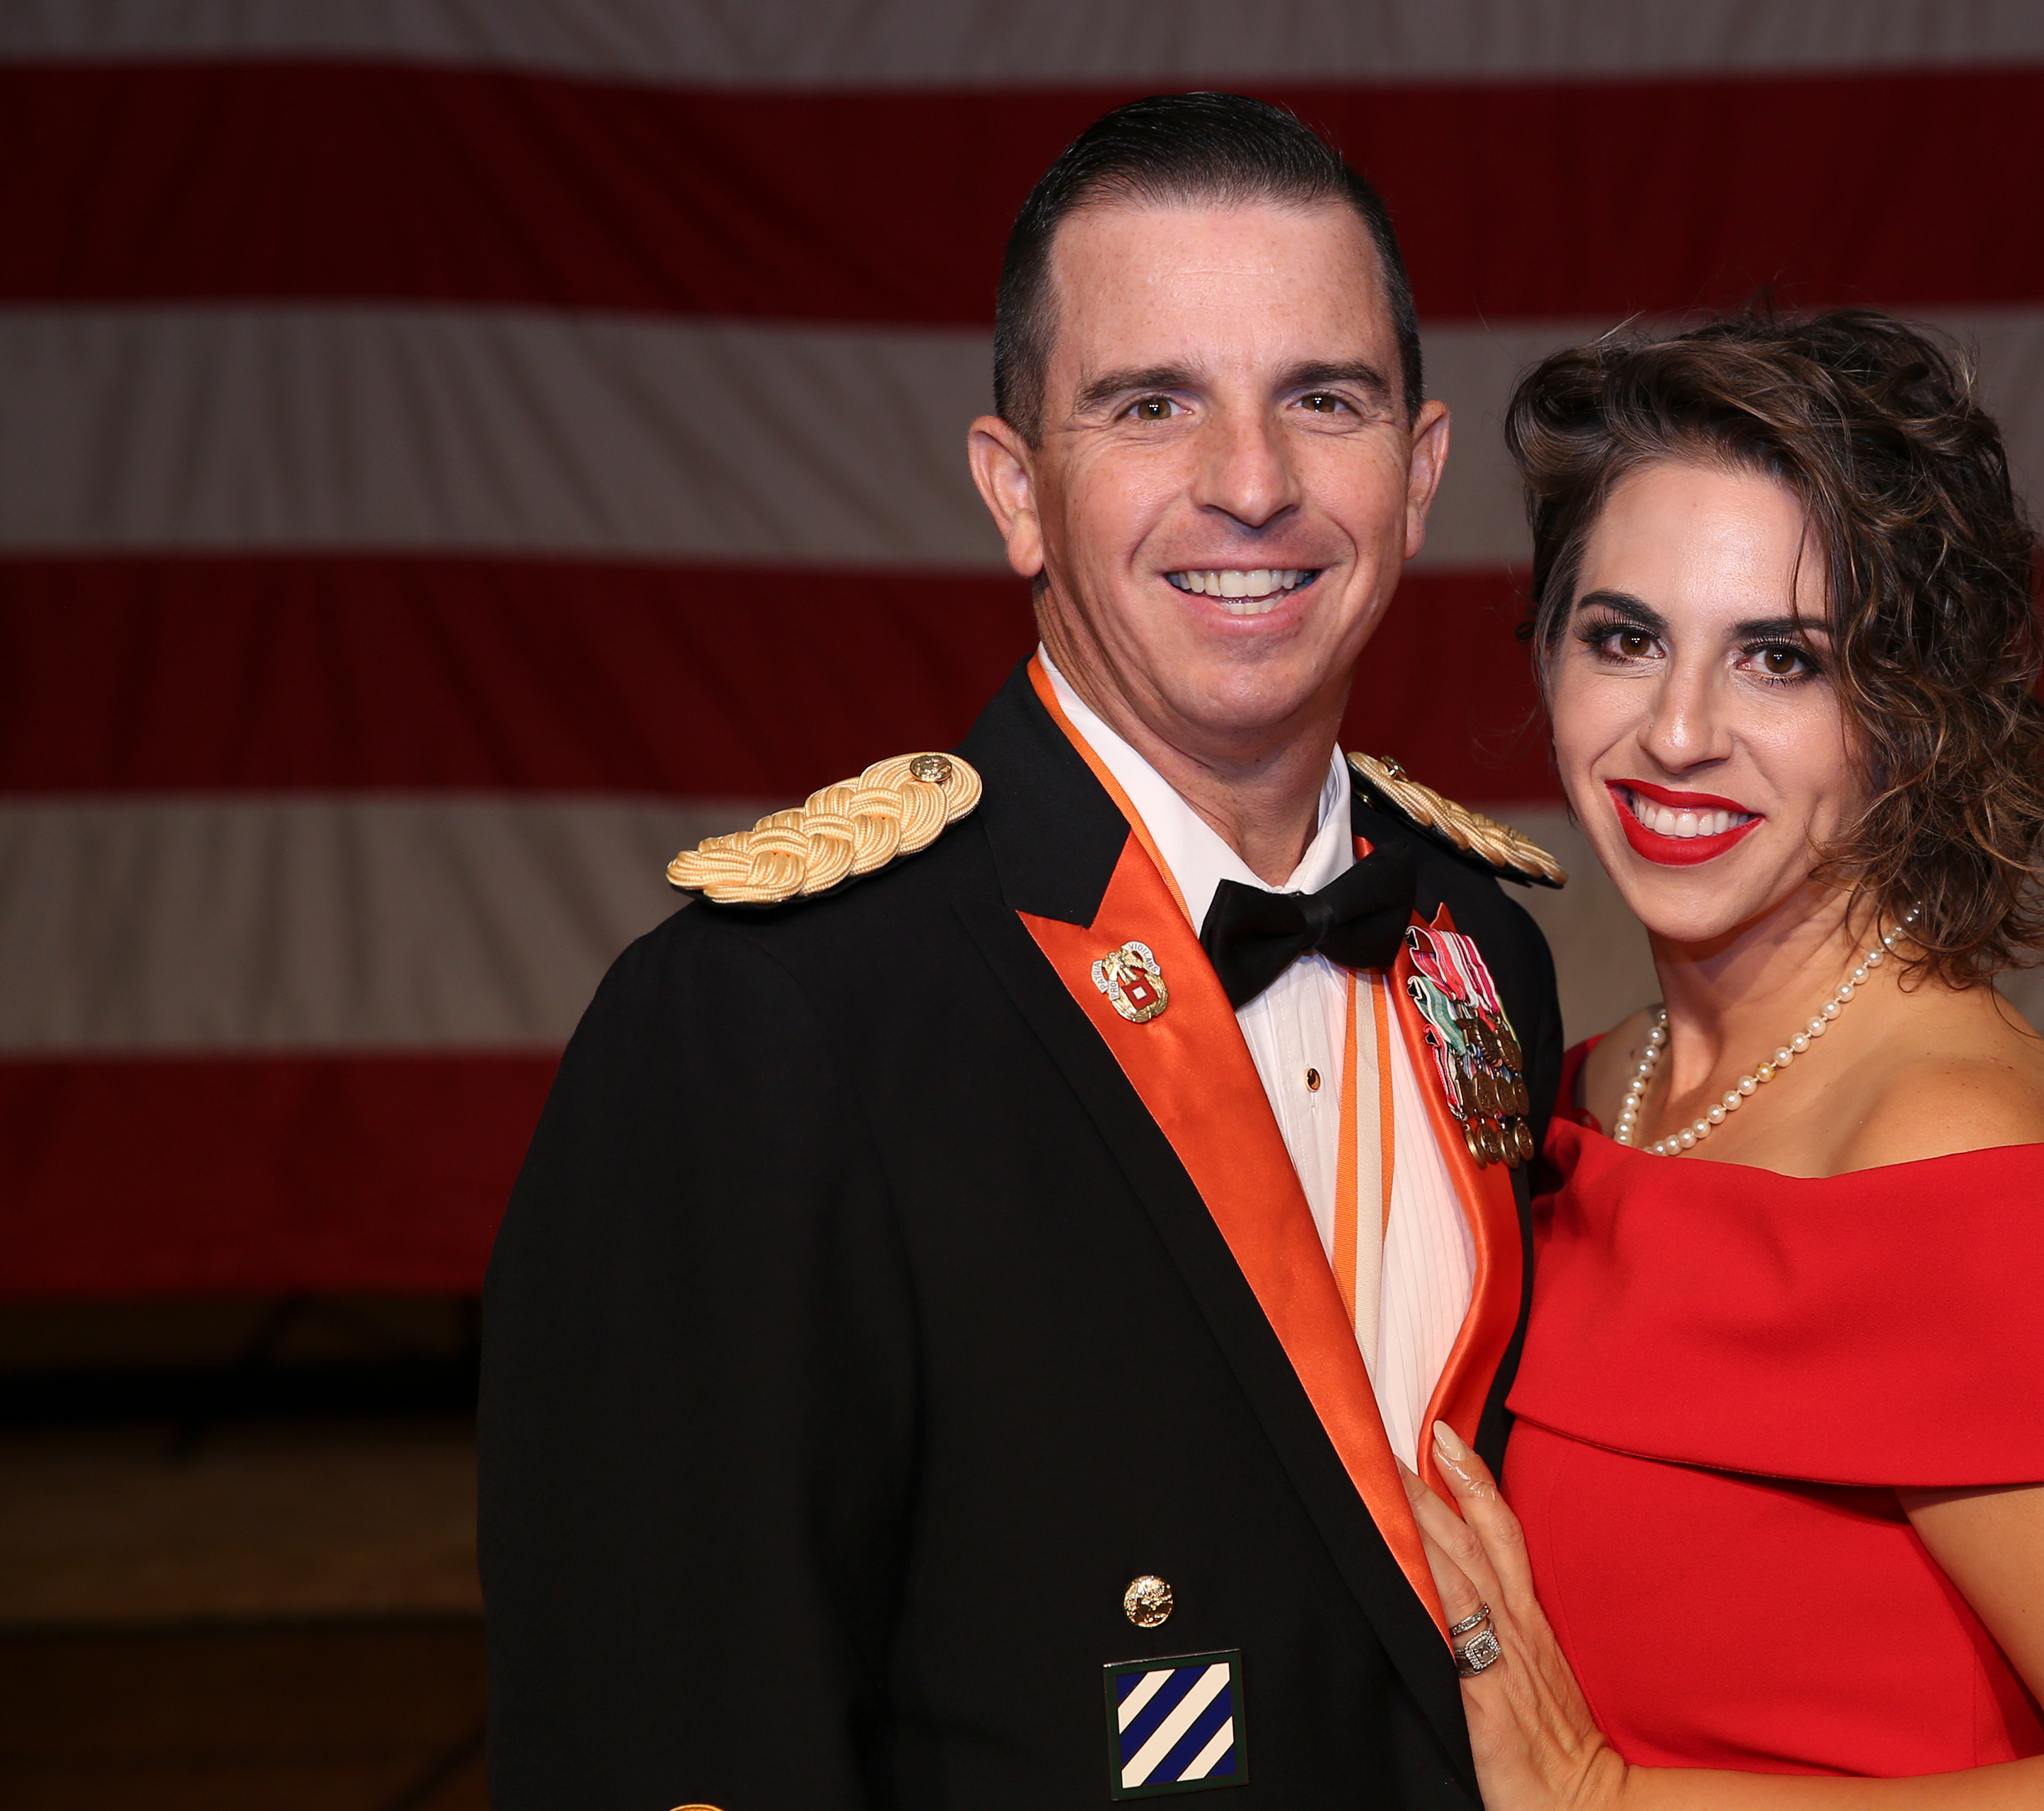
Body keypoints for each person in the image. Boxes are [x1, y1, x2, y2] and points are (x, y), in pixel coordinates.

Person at [477, 94, 1563, 1807]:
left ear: (1419, 475)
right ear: (1017, 490)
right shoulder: (772, 1015)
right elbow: (665, 1717)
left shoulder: (1479, 940)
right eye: (1152, 404)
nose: (1254, 484)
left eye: (1323, 400)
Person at [1402, 313, 2044, 1808]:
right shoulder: (1587, 1091)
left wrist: (1606, 1800)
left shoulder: (1952, 1142)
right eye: (1624, 637)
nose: (1677, 730)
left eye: (1781, 658)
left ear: (1916, 714)